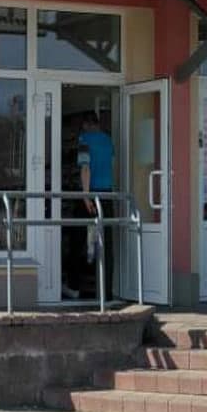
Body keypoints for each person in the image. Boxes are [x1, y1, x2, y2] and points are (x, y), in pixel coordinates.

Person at [77, 110, 115, 299]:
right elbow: (111, 165)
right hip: (108, 193)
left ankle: (80, 286)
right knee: (106, 244)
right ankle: (106, 293)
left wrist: (85, 196)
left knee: (83, 240)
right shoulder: (108, 140)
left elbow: (85, 167)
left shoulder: (84, 139)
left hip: (92, 194)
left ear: (86, 124)